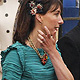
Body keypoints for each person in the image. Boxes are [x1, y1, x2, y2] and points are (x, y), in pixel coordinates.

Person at [1, 0, 74, 80]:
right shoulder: (16, 54)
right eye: (56, 14)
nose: (61, 21)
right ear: (39, 17)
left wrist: (53, 52)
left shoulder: (53, 49)